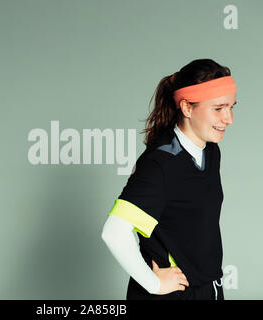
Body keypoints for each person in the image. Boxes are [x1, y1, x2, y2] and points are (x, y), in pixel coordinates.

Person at [101, 58, 237, 300]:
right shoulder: (160, 164)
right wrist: (153, 284)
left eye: (231, 107)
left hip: (209, 288)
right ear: (186, 108)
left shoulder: (211, 151)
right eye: (218, 108)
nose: (228, 119)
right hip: (176, 294)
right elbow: (114, 232)